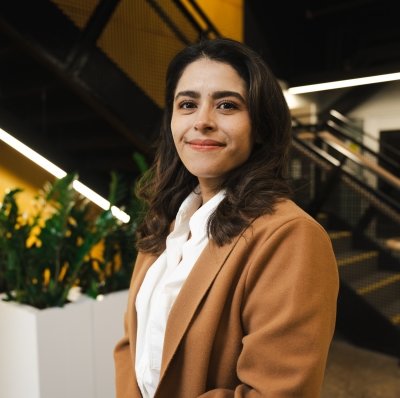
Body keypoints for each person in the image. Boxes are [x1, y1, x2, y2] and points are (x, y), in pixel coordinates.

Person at [114, 37, 339, 398]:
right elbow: (133, 345)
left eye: (227, 105)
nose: (202, 121)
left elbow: (275, 393)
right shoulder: (169, 222)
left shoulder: (291, 237)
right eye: (187, 104)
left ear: (261, 126)